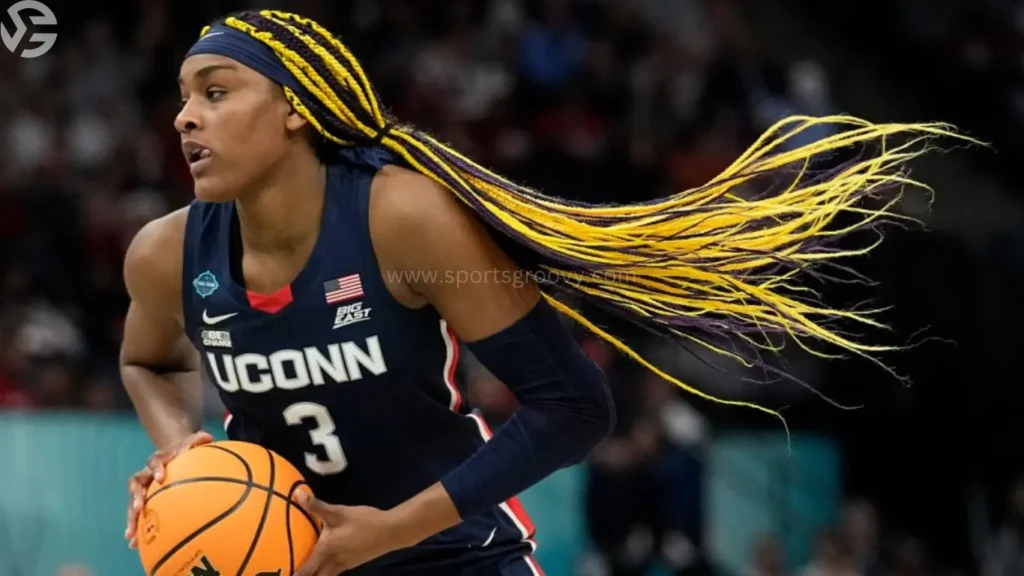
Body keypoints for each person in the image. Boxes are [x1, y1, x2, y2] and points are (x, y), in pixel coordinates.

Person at [120, 9, 961, 576]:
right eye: (185, 98)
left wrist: (391, 529)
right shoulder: (165, 253)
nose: (185, 118)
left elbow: (573, 406)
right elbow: (148, 364)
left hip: (450, 556)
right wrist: (181, 453)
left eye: (216, 93)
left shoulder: (401, 219)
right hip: (291, 561)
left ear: (297, 109)